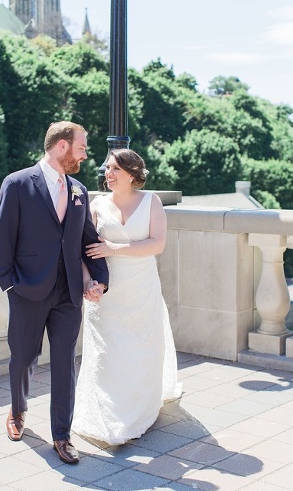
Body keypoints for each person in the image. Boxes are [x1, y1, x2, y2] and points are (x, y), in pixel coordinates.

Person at [0, 121, 109, 464]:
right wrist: (11, 284)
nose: (86, 155)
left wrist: (98, 278)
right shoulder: (16, 184)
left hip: (69, 293)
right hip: (27, 289)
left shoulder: (79, 191)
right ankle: (17, 410)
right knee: (24, 357)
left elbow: (88, 239)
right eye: (82, 147)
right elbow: (2, 239)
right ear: (61, 146)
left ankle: (62, 435)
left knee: (64, 363)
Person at [73, 149, 181, 445]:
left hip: (141, 286)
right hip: (105, 290)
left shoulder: (151, 202)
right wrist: (88, 282)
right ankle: (106, 412)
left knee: (141, 345)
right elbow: (84, 249)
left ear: (132, 174)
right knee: (107, 352)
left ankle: (139, 407)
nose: (107, 174)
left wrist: (114, 248)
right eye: (107, 169)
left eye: (114, 170)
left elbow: (157, 244)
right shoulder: (96, 205)